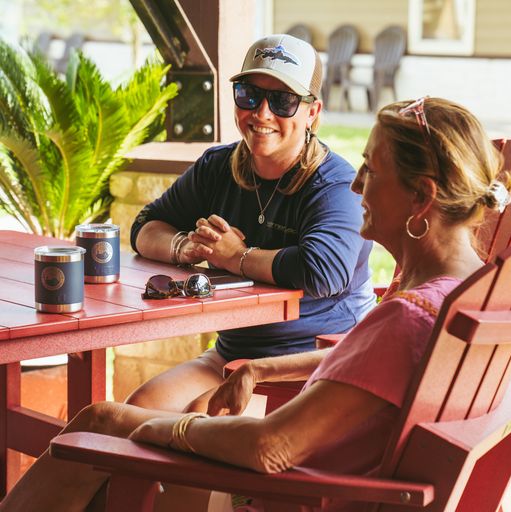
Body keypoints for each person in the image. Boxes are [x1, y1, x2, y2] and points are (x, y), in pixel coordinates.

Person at [2, 97, 510, 512]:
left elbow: (271, 448)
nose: (357, 185)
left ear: (422, 198)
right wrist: (261, 367)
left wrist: (177, 430)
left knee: (104, 424)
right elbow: (374, 363)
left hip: (298, 493)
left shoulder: (407, 317)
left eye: (370, 171)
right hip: (325, 478)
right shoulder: (466, 297)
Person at [126, 33, 375, 413]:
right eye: (248, 94)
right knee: (138, 409)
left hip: (315, 364)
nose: (261, 113)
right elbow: (144, 226)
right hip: (233, 353)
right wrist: (184, 247)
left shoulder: (335, 185)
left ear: (312, 111)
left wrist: (236, 257)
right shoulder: (217, 168)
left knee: (200, 417)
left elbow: (324, 271)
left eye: (283, 101)